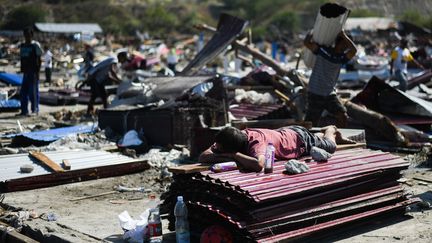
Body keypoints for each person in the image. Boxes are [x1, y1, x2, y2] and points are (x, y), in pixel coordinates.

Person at [198, 125, 353, 172]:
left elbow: (260, 165)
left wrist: (235, 155)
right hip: (282, 134)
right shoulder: (231, 138)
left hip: (300, 140)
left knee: (330, 147)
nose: (216, 148)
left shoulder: (257, 144)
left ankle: (330, 130)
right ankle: (318, 133)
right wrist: (230, 156)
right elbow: (203, 157)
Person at [303, 30, 357, 127]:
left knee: (342, 115)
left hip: (329, 94)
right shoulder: (323, 51)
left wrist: (344, 36)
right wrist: (314, 31)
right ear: (338, 42)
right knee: (310, 123)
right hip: (315, 92)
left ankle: (339, 137)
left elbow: (354, 50)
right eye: (344, 43)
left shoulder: (341, 58)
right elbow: (307, 43)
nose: (346, 47)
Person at [19, 27, 42, 116]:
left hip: (33, 72)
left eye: (28, 35)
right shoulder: (23, 46)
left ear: (31, 35)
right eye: (25, 35)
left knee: (33, 91)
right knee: (23, 92)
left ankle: (35, 109)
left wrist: (38, 72)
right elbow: (22, 58)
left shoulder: (35, 45)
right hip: (25, 72)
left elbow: (39, 59)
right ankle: (24, 111)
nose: (27, 37)